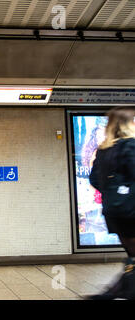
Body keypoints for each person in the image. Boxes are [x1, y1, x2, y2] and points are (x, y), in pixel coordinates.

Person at [88, 107, 135, 300]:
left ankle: (114, 293)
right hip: (132, 210)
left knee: (133, 257)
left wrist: (113, 193)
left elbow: (94, 180)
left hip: (114, 212)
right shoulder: (130, 145)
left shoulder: (104, 150)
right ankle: (112, 294)